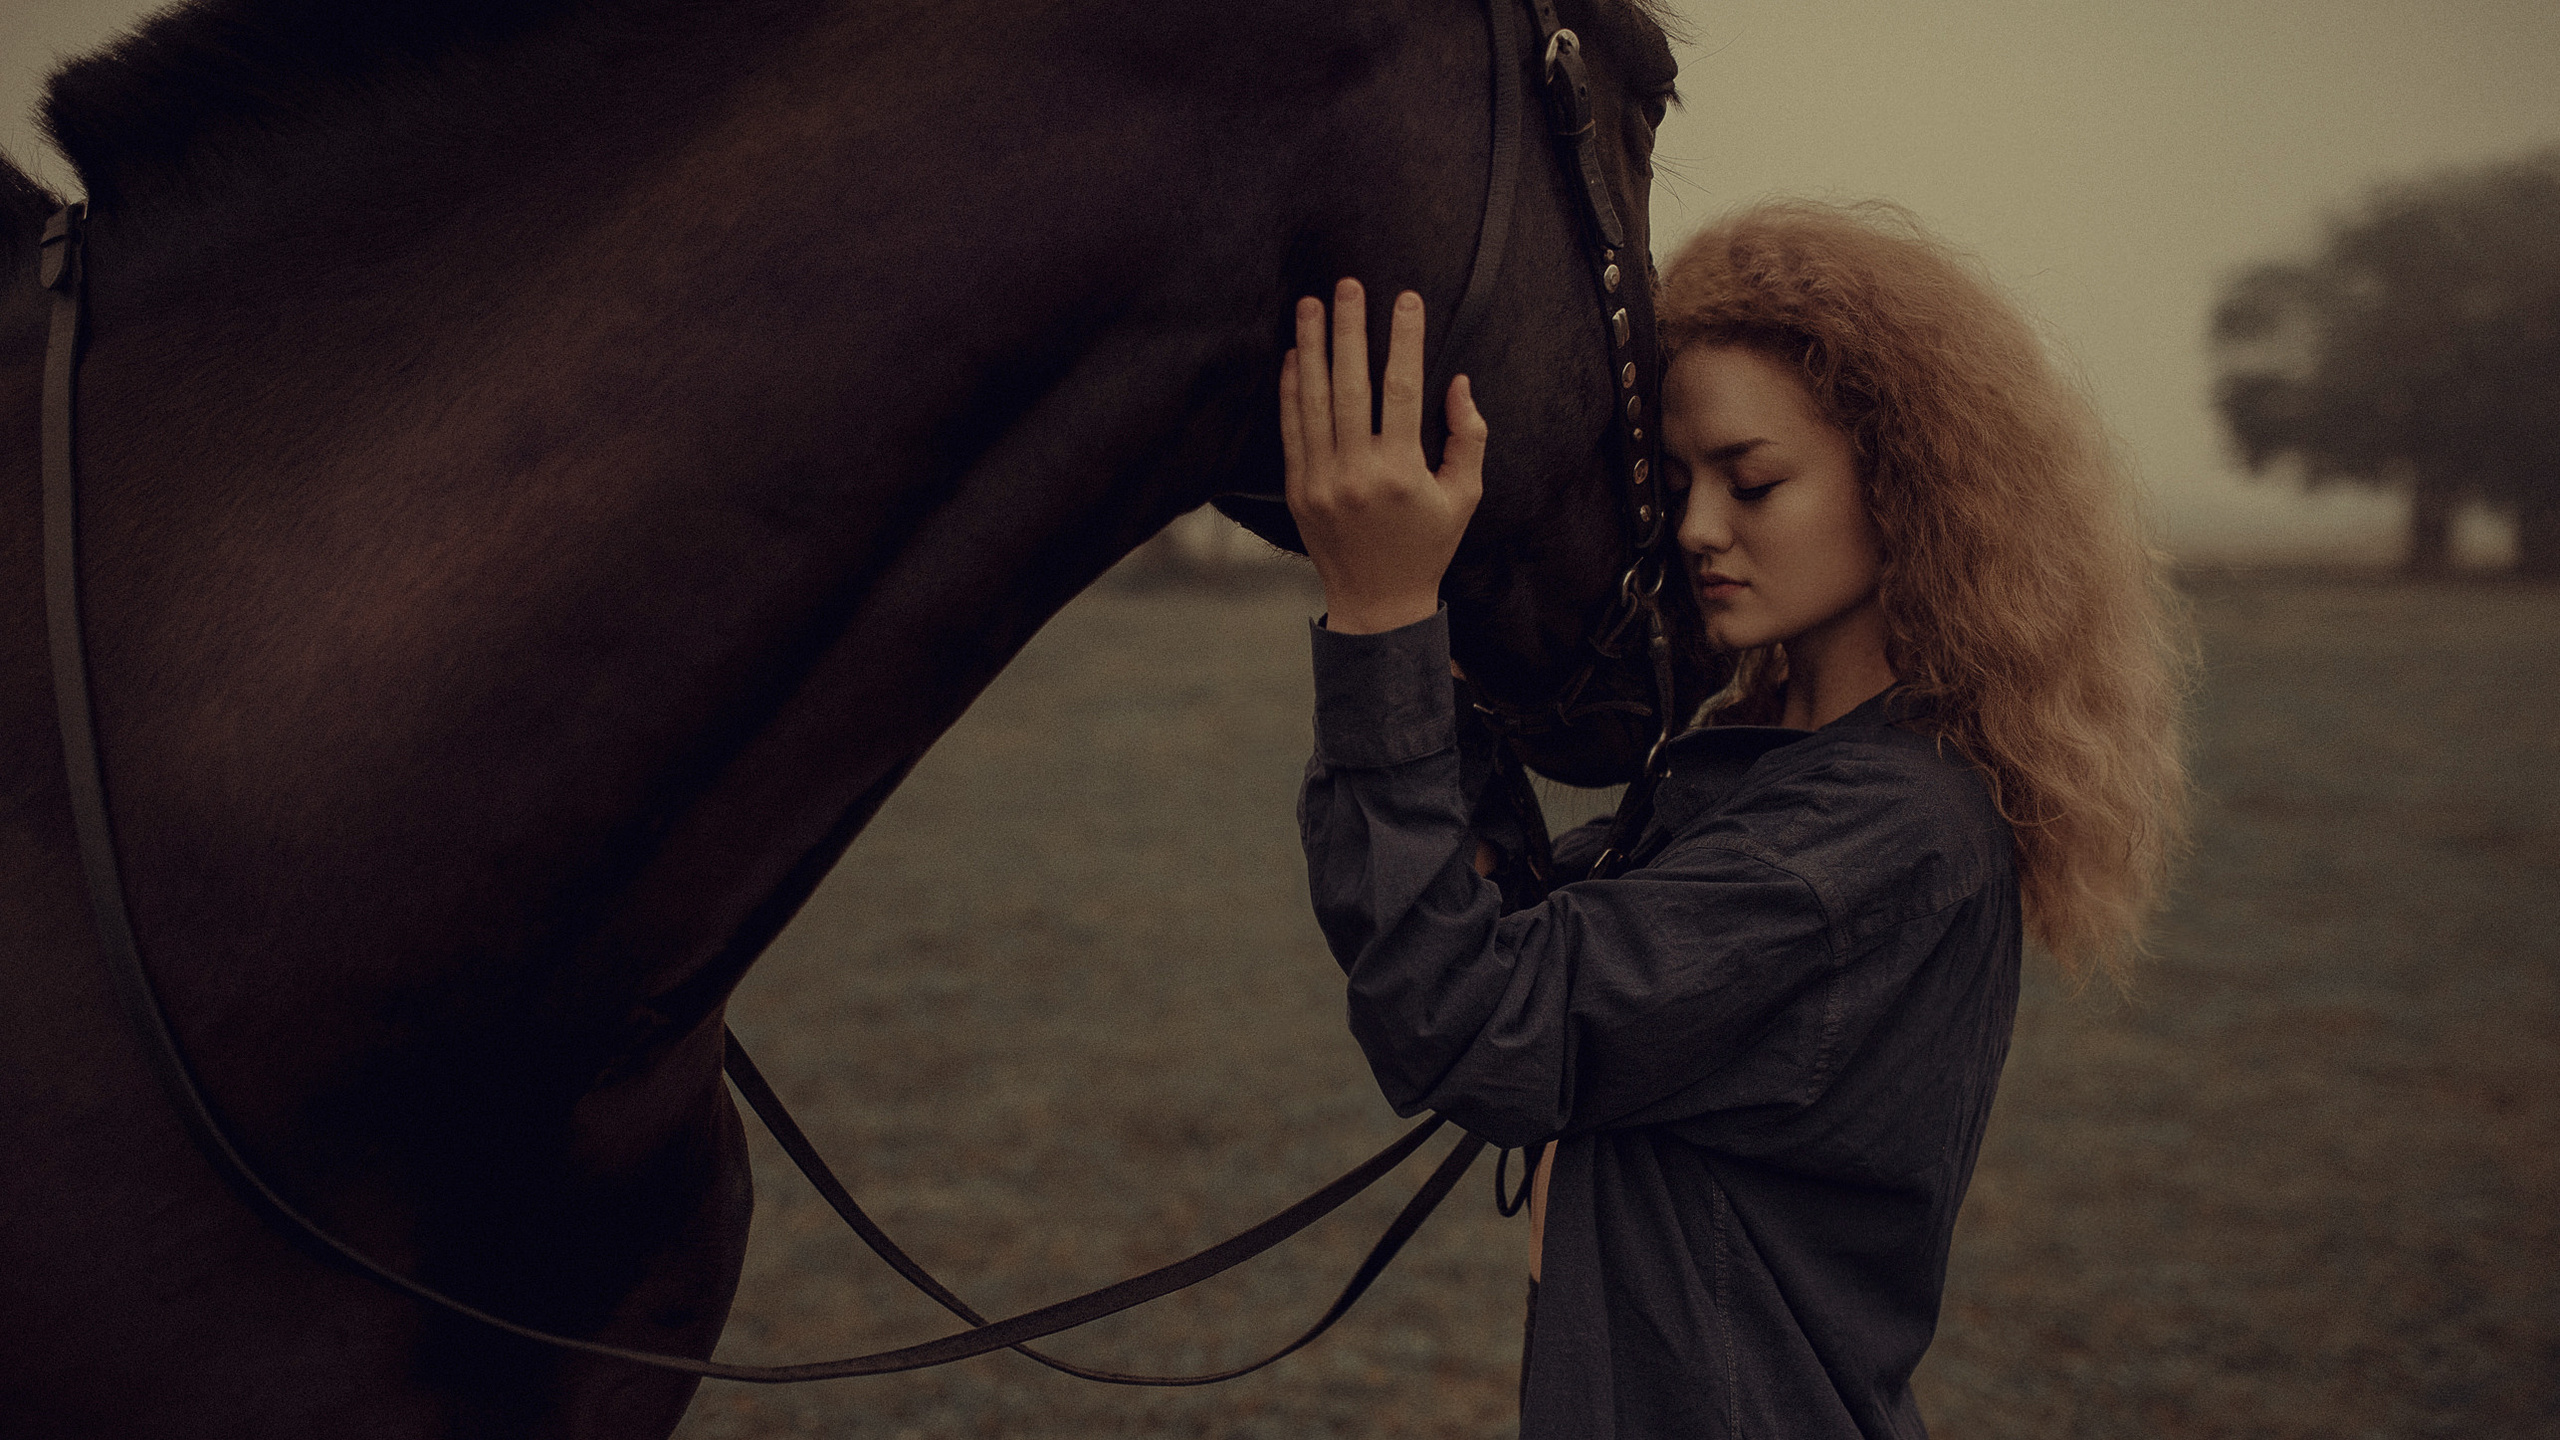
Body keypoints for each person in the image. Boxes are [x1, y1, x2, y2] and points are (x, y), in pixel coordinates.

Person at [1278, 200, 2190, 1437]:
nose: (1699, 528)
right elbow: (1511, 943)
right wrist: (1430, 641)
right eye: (1681, 481)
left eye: (1751, 480)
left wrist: (1383, 619)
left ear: (1908, 484)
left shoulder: (1884, 827)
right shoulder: (1774, 766)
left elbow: (1479, 1018)